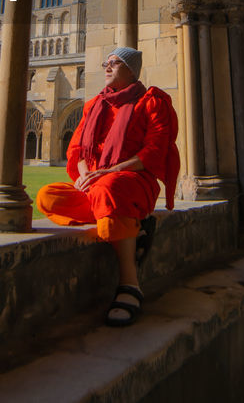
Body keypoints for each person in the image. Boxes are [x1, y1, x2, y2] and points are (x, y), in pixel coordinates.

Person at [36, 46, 180, 327]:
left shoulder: (152, 102)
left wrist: (108, 171)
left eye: (115, 63)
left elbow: (154, 152)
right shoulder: (93, 105)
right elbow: (76, 150)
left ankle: (130, 284)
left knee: (109, 189)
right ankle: (131, 225)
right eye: (106, 62)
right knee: (47, 197)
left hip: (134, 181)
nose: (107, 67)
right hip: (97, 185)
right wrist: (86, 174)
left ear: (131, 71)